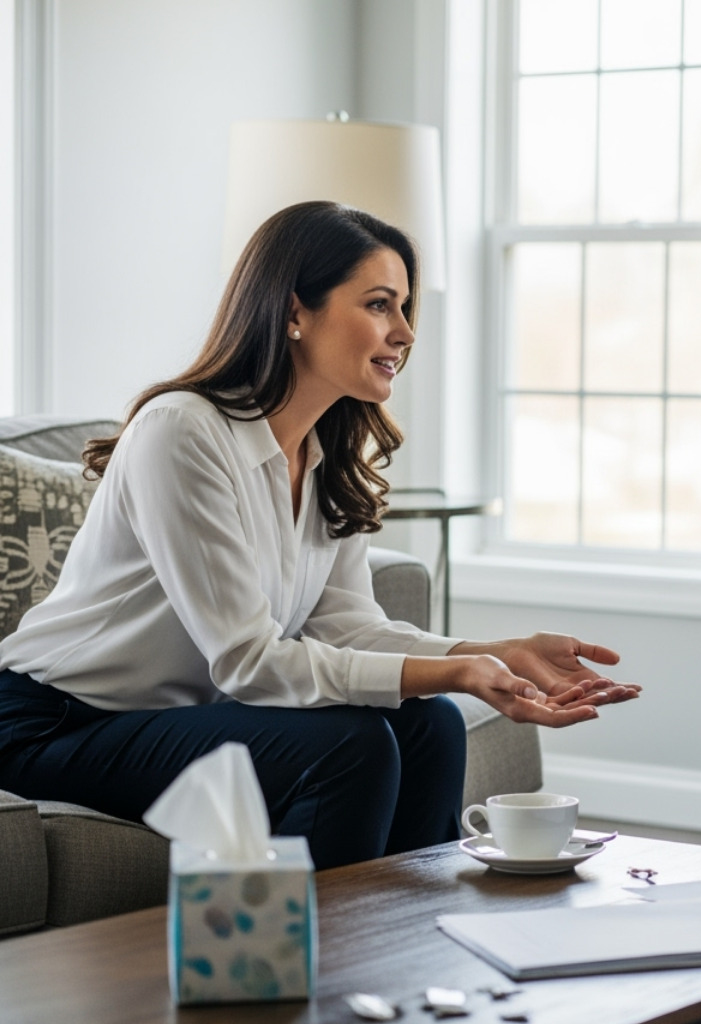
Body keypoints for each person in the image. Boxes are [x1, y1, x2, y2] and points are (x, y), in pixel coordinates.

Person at [0, 201, 640, 870]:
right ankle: (316, 968)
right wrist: (454, 670)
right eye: (379, 305)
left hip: (168, 718)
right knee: (348, 745)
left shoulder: (326, 454)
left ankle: (408, 957)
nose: (405, 333)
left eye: (405, 308)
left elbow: (349, 627)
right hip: (55, 725)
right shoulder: (182, 431)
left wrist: (493, 653)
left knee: (430, 724)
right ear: (294, 312)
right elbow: (249, 662)